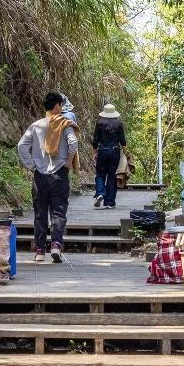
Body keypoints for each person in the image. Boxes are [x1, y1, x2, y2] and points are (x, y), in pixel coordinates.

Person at [18, 90, 79, 263]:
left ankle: (39, 251)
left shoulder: (36, 125)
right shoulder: (64, 124)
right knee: (58, 212)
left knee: (40, 212)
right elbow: (73, 143)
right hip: (59, 174)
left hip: (40, 175)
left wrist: (31, 165)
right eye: (61, 105)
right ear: (57, 106)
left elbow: (22, 146)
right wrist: (68, 162)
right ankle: (56, 246)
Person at [92, 103, 130, 209]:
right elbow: (122, 140)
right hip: (114, 151)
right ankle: (110, 202)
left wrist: (94, 153)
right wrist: (126, 153)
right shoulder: (118, 124)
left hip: (103, 151)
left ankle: (100, 193)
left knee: (100, 174)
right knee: (112, 175)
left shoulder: (99, 124)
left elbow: (95, 140)